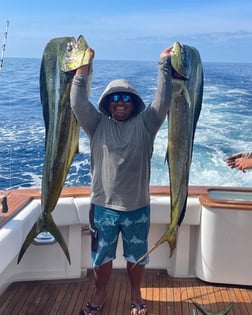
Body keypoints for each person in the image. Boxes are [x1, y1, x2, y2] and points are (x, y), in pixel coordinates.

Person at [70, 46, 173, 315]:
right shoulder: (96, 124)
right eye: (115, 97)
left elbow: (162, 101)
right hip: (102, 207)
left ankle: (136, 293)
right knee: (101, 257)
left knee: (136, 257)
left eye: (126, 98)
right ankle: (100, 292)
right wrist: (83, 67)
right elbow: (78, 103)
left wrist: (164, 63)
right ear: (107, 102)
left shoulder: (147, 123)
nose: (120, 101)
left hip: (137, 206)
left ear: (134, 102)